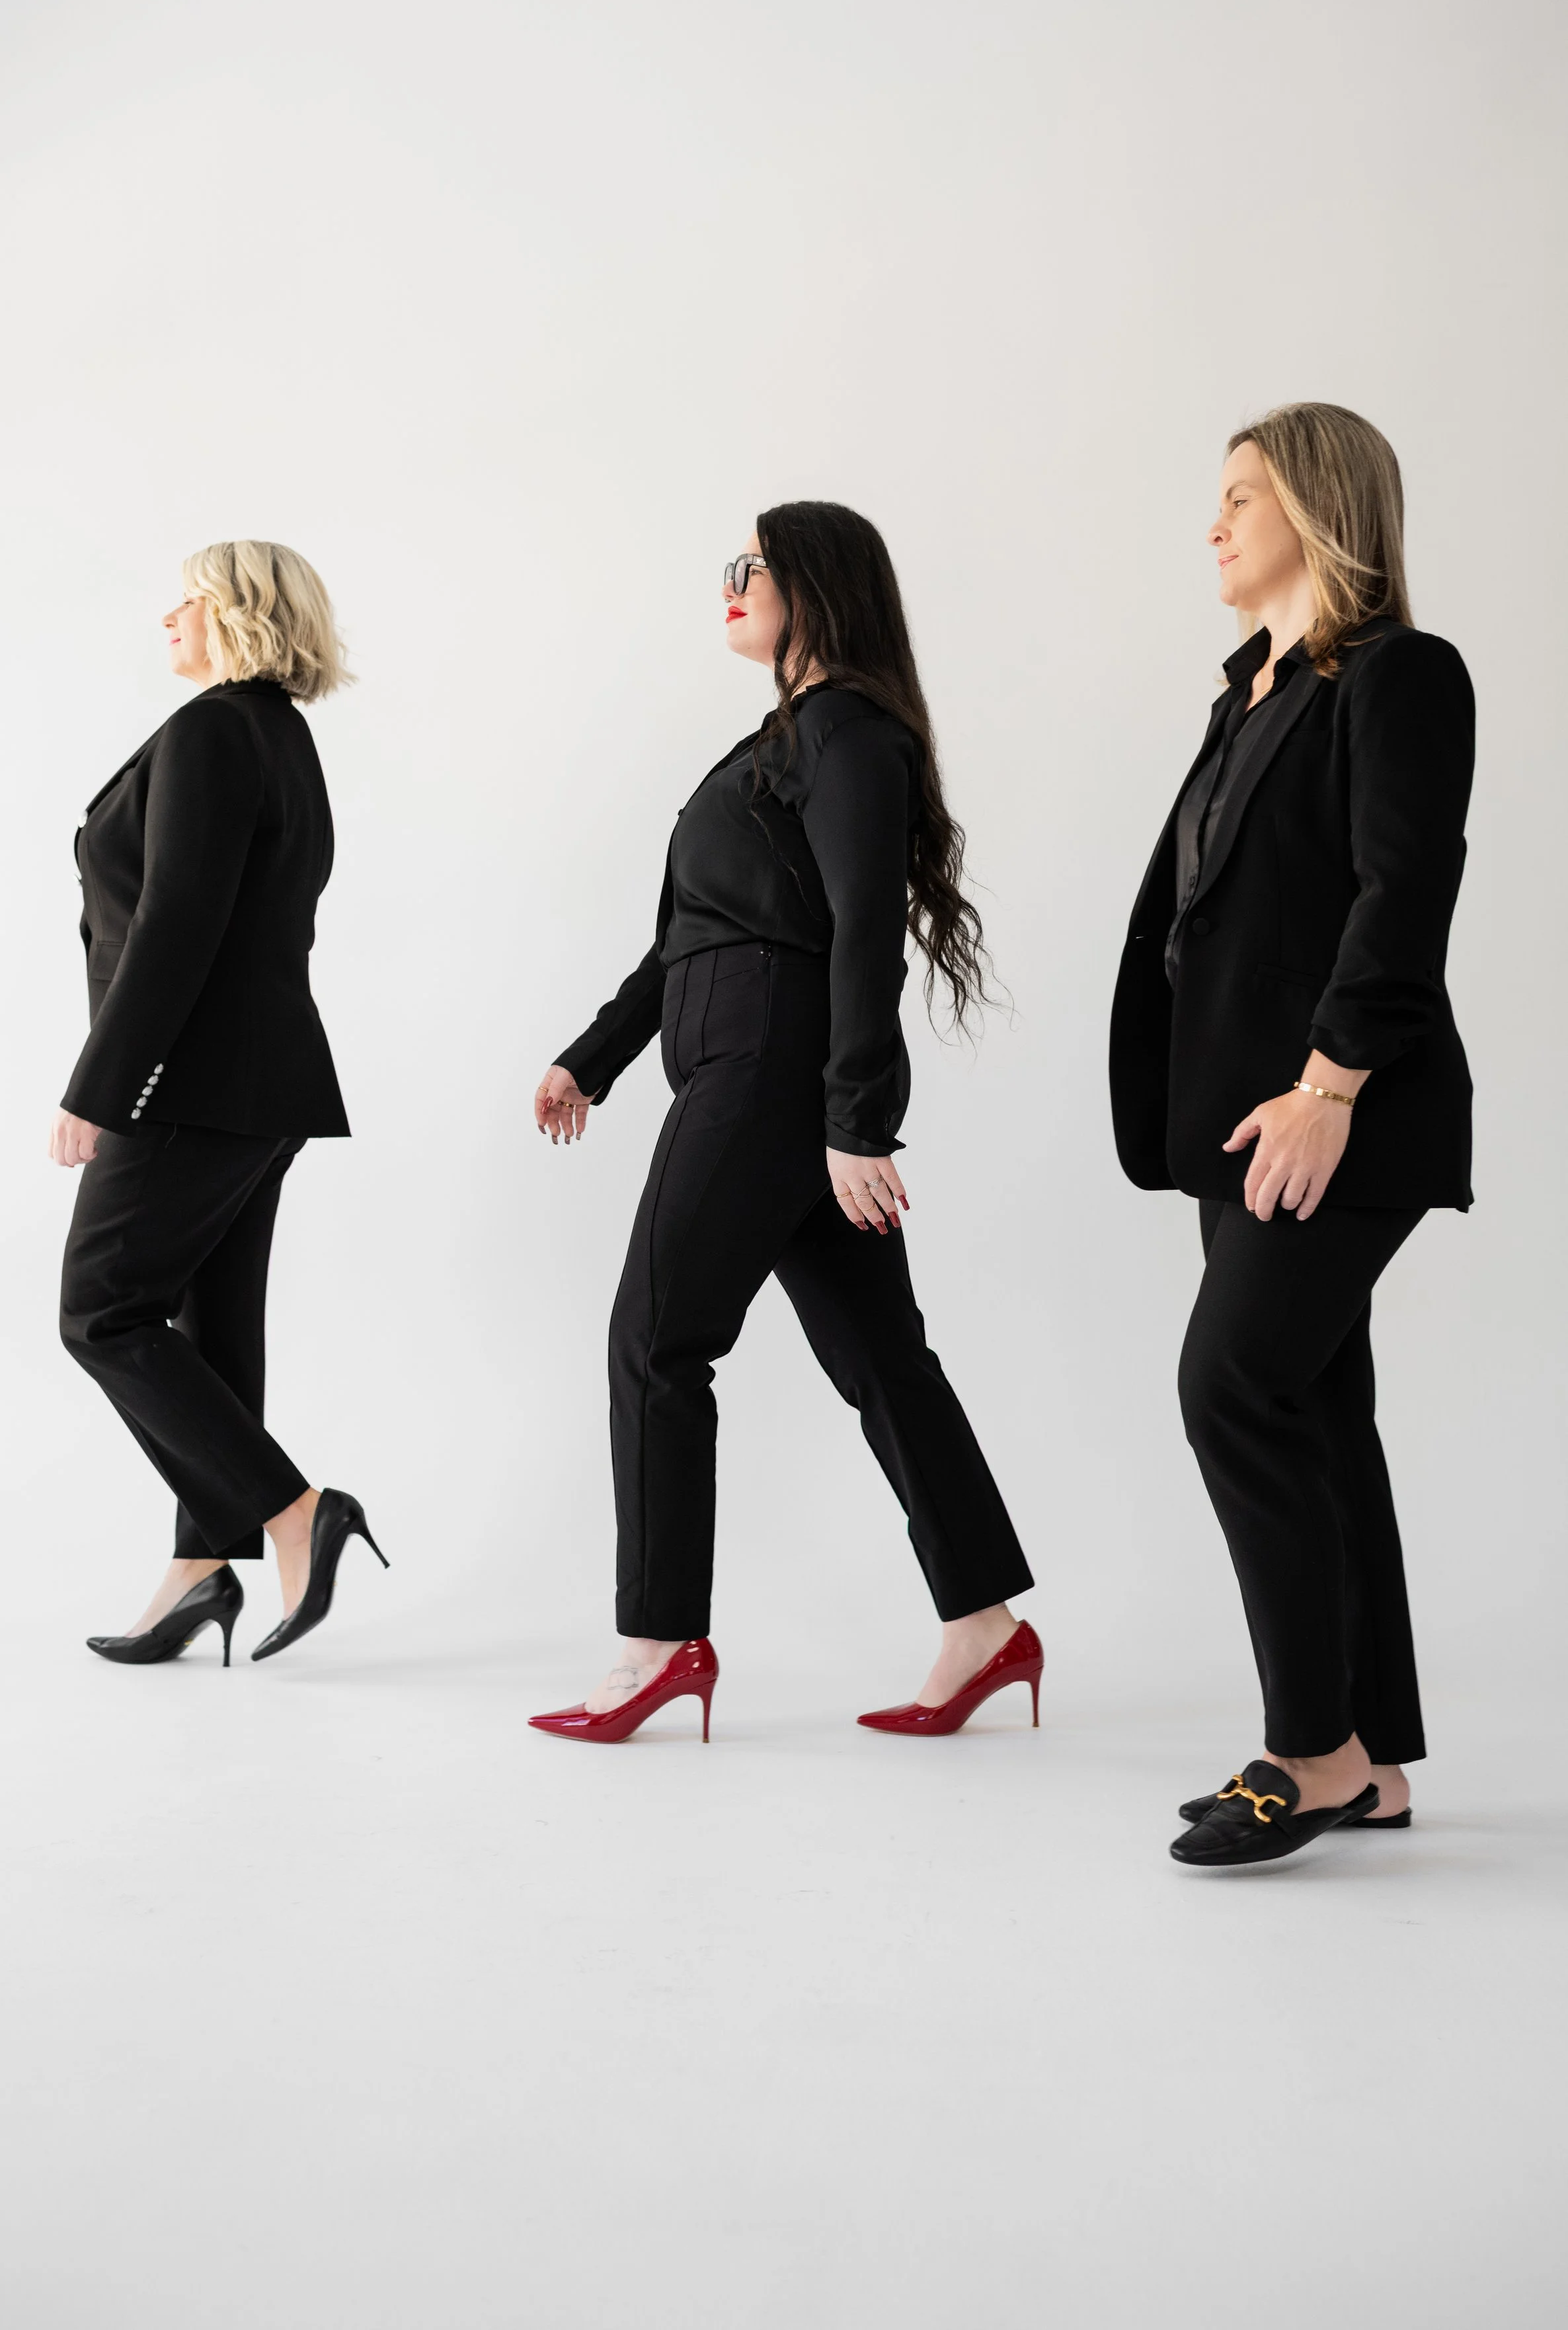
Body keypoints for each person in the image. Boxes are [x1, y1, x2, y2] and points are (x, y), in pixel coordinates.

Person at [528, 502, 1039, 1744]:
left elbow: (864, 928)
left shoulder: (852, 730)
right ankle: (987, 1624)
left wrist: (859, 1119)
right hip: (755, 1074)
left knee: (656, 1337)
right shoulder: (781, 736)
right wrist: (590, 1060)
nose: (733, 584)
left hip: (772, 1076)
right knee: (883, 1360)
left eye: (752, 566)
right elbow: (683, 940)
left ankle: (660, 1644)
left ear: (816, 582)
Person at [1110, 405, 1474, 1867]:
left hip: (1341, 1114)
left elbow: (1403, 890)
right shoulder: (1244, 698)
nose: (1210, 522)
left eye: (1238, 496)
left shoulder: (1398, 680)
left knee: (1229, 1386)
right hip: (1241, 1127)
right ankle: (1372, 1759)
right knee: (1315, 1413)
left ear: (1319, 510)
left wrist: (1328, 1086)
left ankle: (1304, 1751)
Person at [55, 541, 386, 1669]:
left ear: (239, 611)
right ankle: (204, 1569)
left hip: (188, 1084)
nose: (169, 618)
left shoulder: (213, 731)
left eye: (189, 598)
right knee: (211, 1324)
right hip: (264, 1081)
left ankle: (295, 1512)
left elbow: (175, 926)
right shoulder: (282, 739)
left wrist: (100, 1086)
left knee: (101, 1310)